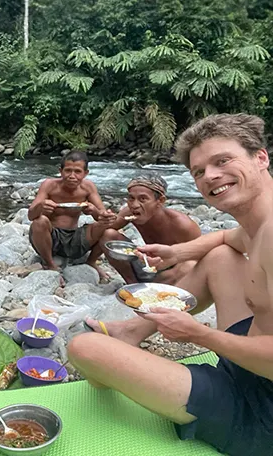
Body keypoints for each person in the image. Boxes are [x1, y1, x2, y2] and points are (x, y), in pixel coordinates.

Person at [69, 114, 273, 456]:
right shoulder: (260, 222)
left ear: (261, 157)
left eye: (222, 161)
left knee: (84, 348)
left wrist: (198, 335)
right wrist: (176, 251)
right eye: (199, 171)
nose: (210, 176)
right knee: (221, 256)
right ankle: (131, 331)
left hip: (259, 412)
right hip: (249, 358)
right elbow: (228, 237)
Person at [91, 173, 201, 284]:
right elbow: (103, 234)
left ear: (160, 201)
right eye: (131, 198)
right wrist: (91, 261)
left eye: (143, 199)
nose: (134, 205)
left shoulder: (182, 225)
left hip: (172, 274)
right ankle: (132, 284)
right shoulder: (129, 213)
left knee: (190, 265)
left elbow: (201, 258)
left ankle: (158, 291)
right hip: (147, 264)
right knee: (108, 233)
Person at [28, 150, 117, 278]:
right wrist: (41, 207)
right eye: (68, 170)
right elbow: (31, 215)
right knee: (39, 221)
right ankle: (50, 263)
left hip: (76, 239)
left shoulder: (88, 187)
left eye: (77, 172)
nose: (72, 176)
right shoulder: (49, 185)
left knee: (107, 227)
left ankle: (91, 262)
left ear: (85, 173)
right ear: (60, 171)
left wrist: (94, 211)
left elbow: (102, 216)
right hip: (52, 239)